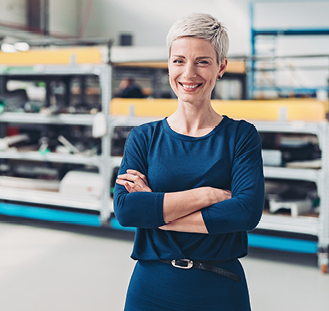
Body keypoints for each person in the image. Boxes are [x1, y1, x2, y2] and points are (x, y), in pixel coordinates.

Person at [113, 12, 265, 311]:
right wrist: (205, 195)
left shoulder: (241, 136)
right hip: (151, 287)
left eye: (203, 61)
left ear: (221, 66)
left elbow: (245, 213)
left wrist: (156, 211)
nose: (189, 73)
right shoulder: (143, 137)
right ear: (169, 64)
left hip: (219, 287)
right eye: (179, 60)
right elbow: (127, 210)